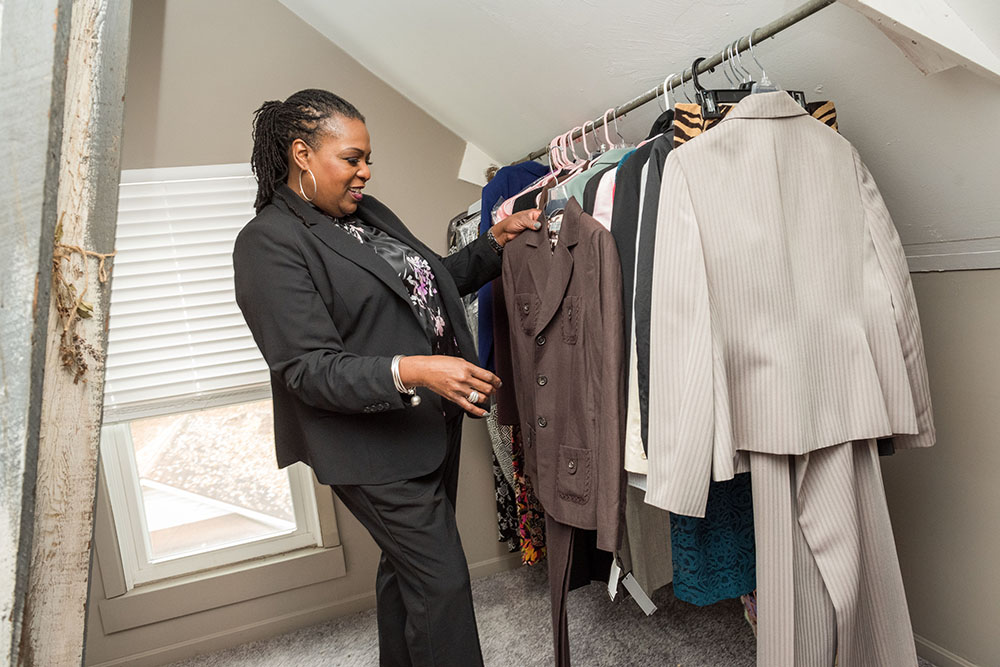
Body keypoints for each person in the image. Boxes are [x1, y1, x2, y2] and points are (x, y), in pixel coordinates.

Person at [232, 88, 540, 667]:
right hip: (371, 449)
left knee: (411, 574)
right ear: (302, 153)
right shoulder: (267, 244)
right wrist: (416, 370)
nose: (365, 173)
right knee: (443, 583)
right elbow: (307, 370)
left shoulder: (362, 215)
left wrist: (492, 247)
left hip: (429, 426)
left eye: (366, 159)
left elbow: (423, 289)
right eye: (352, 159)